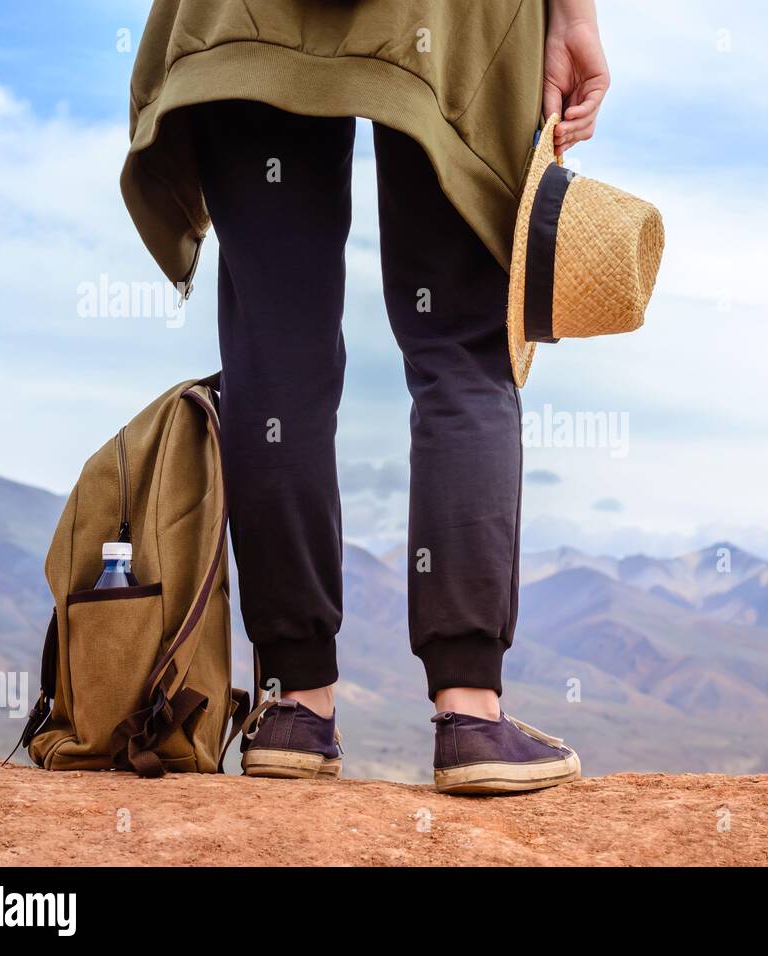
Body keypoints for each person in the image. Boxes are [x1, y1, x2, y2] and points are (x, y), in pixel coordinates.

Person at [120, 0, 609, 792]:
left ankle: (293, 706)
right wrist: (573, 15)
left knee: (275, 345)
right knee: (461, 342)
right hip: (453, 22)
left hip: (248, 22)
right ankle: (471, 714)